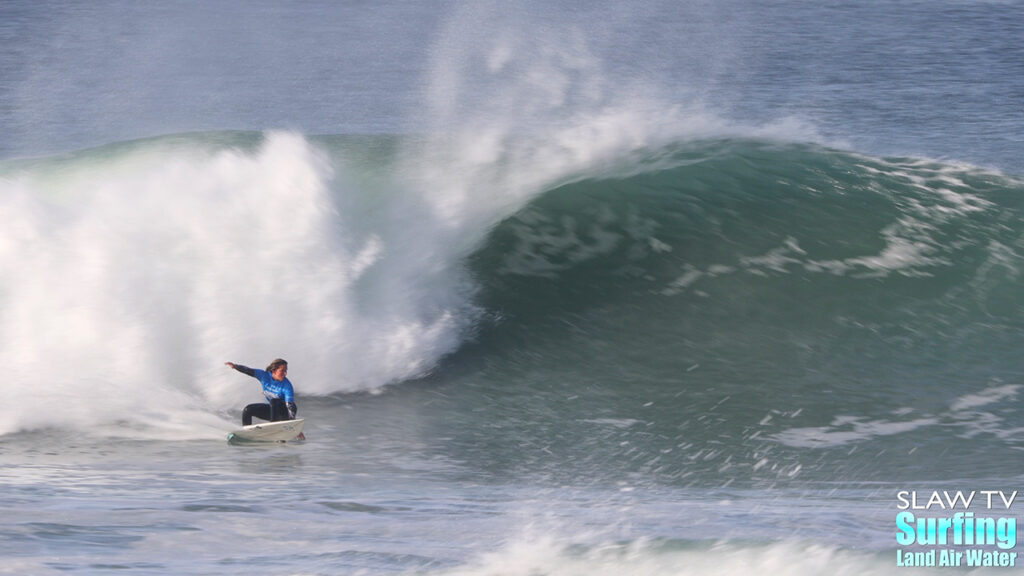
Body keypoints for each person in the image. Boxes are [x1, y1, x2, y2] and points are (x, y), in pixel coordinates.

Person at [225, 358, 298, 426]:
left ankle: (274, 426)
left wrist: (293, 426)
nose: (285, 373)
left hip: (285, 413)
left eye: (286, 371)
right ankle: (247, 431)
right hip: (273, 412)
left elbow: (290, 406)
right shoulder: (264, 376)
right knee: (248, 409)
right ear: (274, 371)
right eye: (282, 371)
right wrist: (235, 366)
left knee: (274, 401)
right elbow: (248, 370)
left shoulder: (287, 386)